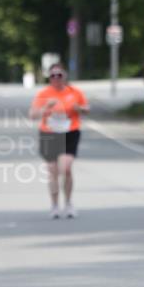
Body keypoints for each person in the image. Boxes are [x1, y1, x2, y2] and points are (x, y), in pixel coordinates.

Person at [29, 63, 89, 218]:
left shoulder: (75, 92)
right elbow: (32, 115)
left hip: (70, 132)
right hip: (49, 133)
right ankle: (55, 205)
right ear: (49, 78)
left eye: (59, 75)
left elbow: (87, 109)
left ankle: (68, 203)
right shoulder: (44, 93)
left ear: (65, 76)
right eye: (53, 76)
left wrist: (79, 109)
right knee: (52, 170)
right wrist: (45, 108)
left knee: (66, 168)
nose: (56, 78)